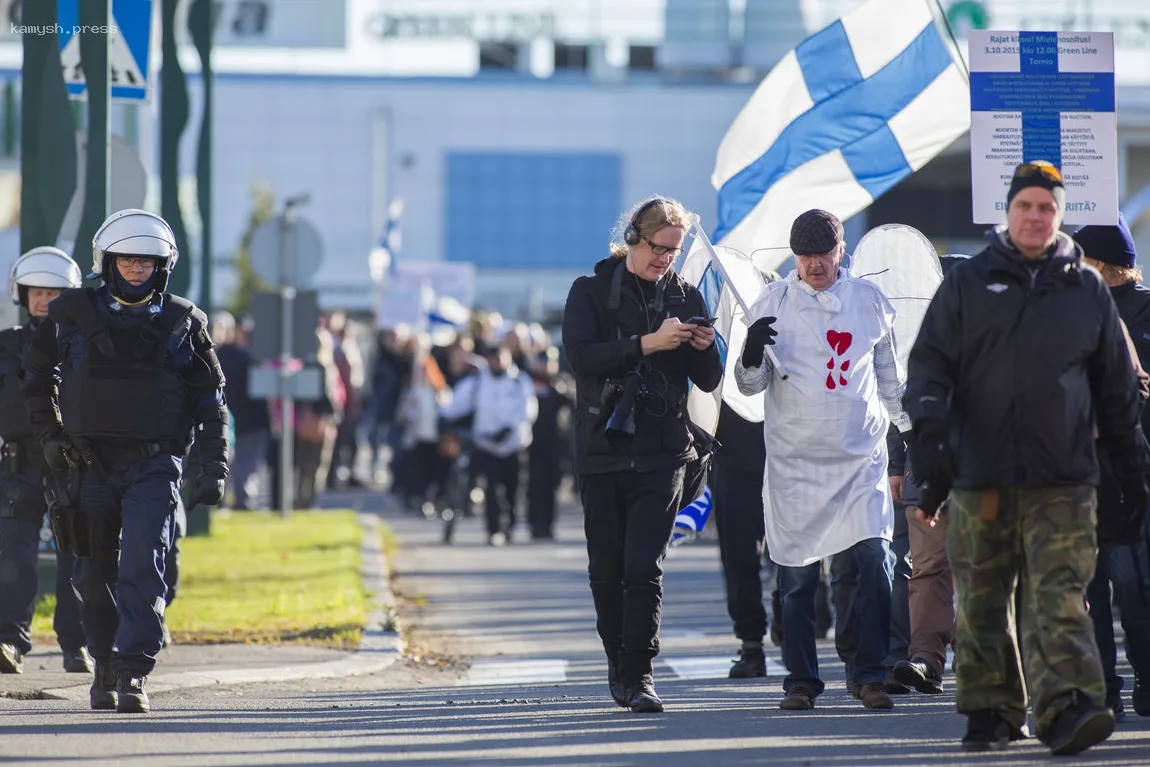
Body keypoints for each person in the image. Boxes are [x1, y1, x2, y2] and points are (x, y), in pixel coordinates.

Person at [904, 162, 1149, 754]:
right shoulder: (968, 283)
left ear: (1060, 215)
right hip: (980, 472)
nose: (1036, 217)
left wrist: (1133, 472)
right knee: (985, 599)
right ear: (1008, 213)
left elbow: (1120, 389)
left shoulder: (1085, 290)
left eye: (1047, 208)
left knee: (1059, 598)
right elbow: (929, 368)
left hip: (1063, 478)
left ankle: (1067, 710)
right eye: (1025, 207)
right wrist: (931, 450)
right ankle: (992, 712)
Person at [22, 209, 230, 714]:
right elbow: (35, 375)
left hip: (153, 465)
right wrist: (50, 437)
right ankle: (103, 663)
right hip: (86, 465)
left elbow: (211, 400)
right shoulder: (69, 313)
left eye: (146, 262)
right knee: (91, 576)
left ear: (163, 266)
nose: (136, 269)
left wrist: (213, 466)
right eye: (127, 260)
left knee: (143, 562)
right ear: (107, 261)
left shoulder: (186, 321)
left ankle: (133, 669)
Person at [734, 208, 911, 712]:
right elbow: (749, 387)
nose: (815, 265)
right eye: (806, 256)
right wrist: (750, 352)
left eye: (824, 255)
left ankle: (871, 674)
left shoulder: (869, 302)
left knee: (876, 560)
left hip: (859, 459)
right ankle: (801, 681)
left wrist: (912, 431)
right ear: (796, 256)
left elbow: (890, 382)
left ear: (841, 252)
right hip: (796, 464)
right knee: (797, 577)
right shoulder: (771, 304)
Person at [563, 196, 722, 713]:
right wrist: (646, 344)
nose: (665, 260)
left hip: (664, 453)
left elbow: (710, 380)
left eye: (674, 252)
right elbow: (581, 359)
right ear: (634, 238)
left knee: (644, 568)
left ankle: (640, 675)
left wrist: (702, 347)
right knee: (606, 571)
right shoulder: (589, 292)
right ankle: (618, 662)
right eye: (659, 249)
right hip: (603, 449)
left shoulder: (686, 294)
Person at [1073, 213, 1150, 721]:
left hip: (1132, 474)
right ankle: (1103, 689)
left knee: (1134, 586)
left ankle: (1146, 677)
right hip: (1077, 474)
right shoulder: (1069, 309)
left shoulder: (1146, 309)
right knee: (1088, 590)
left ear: (1102, 265)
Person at [0, 247, 88, 675]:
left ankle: (77, 645)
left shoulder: (85, 347)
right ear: (23, 293)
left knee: (78, 554)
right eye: (37, 291)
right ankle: (9, 641)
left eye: (54, 292)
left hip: (70, 465)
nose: (44, 300)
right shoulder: (6, 346)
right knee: (13, 556)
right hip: (18, 467)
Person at [891, 255, 969, 698]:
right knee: (927, 569)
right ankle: (926, 660)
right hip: (926, 473)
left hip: (985, 474)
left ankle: (981, 655)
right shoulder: (918, 342)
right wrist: (895, 467)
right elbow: (898, 407)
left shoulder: (998, 339)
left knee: (983, 568)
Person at [440, 340, 538, 545]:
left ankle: (509, 526)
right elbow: (456, 404)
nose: (496, 362)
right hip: (486, 445)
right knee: (492, 489)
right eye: (493, 358)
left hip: (513, 445)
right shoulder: (477, 382)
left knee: (513, 489)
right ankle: (494, 529)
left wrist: (509, 430)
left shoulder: (520, 382)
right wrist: (444, 416)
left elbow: (527, 411)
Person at [711, 401, 770, 678]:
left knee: (798, 555)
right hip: (732, 455)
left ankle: (795, 634)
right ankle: (751, 645)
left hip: (790, 454)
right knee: (738, 557)